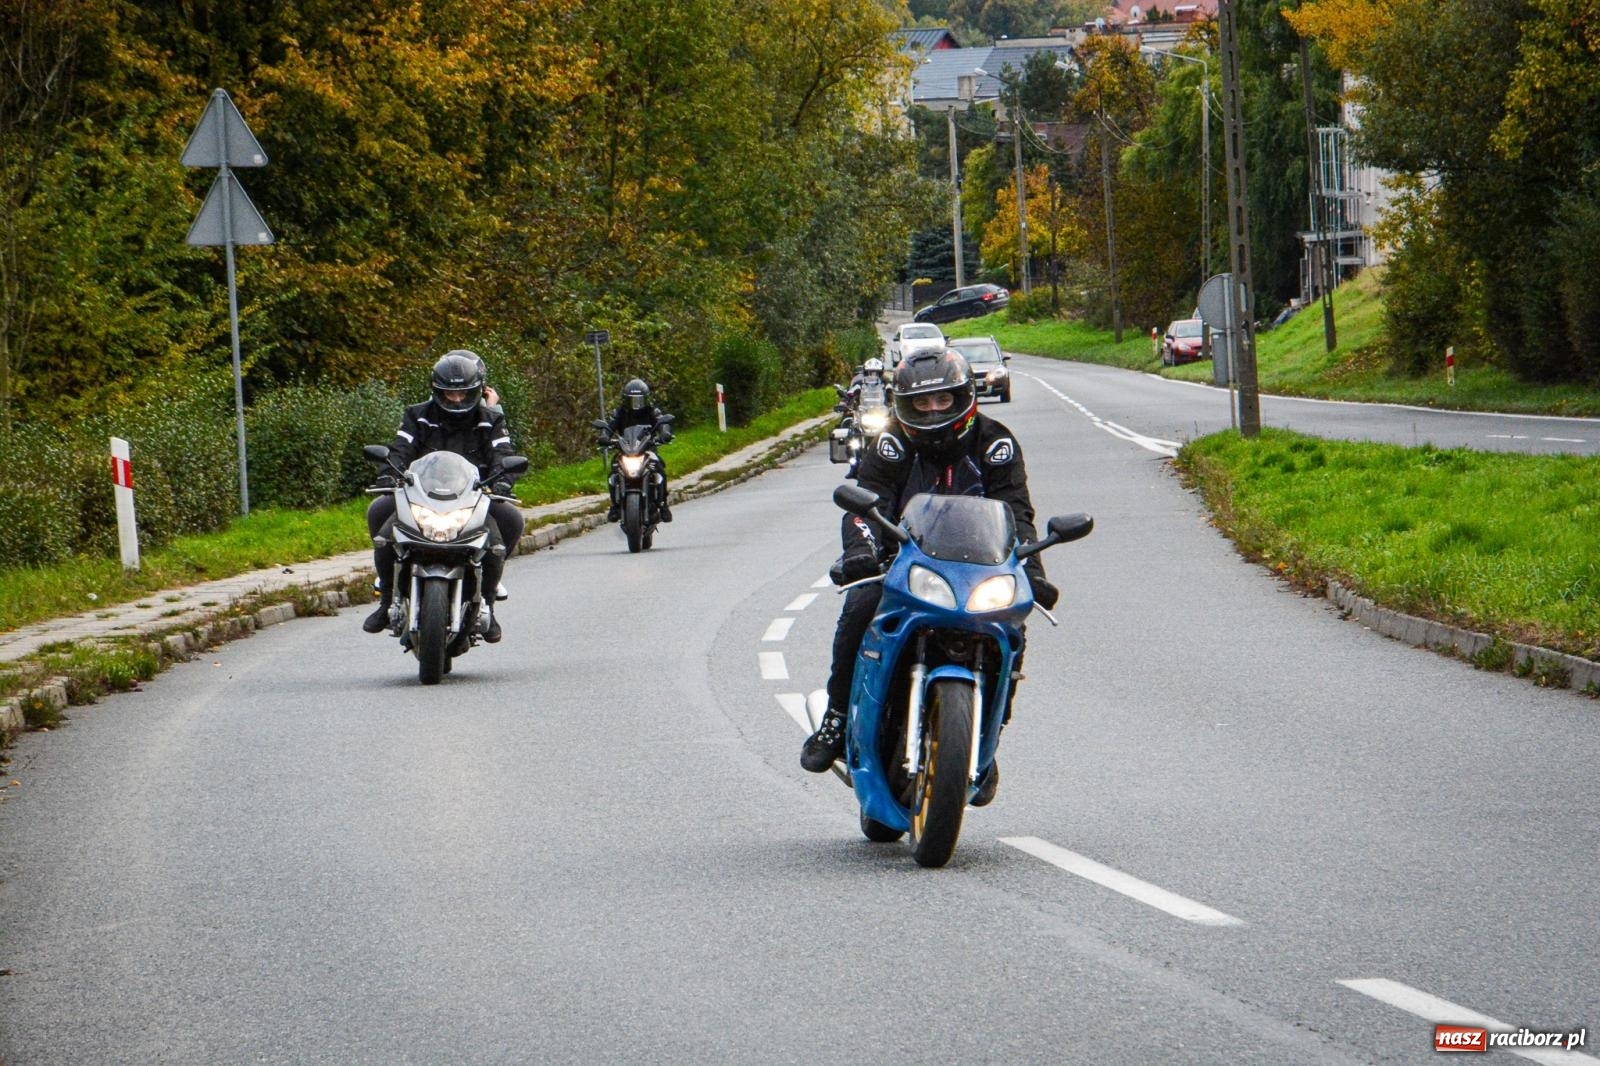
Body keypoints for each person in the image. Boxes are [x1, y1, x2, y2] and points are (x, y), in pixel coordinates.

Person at [798, 348, 1059, 806]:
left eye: (943, 400)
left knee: (1011, 627)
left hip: (978, 569)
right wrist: (861, 550)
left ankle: (986, 739)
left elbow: (1017, 512)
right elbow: (867, 503)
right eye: (921, 403)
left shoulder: (996, 442)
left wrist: (1032, 572)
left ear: (964, 397)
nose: (933, 410)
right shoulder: (891, 444)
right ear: (905, 405)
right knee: (860, 603)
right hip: (902, 563)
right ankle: (837, 717)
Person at [362, 350, 524, 642]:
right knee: (379, 512)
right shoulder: (417, 415)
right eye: (449, 393)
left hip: (474, 497)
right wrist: (389, 474)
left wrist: (502, 482)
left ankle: (486, 599)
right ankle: (386, 600)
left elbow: (503, 453)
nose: (457, 399)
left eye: (463, 393)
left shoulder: (490, 420)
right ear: (437, 391)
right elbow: (401, 448)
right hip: (421, 496)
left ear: (476, 391)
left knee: (510, 519)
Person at [603, 377, 674, 523]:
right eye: (632, 401)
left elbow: (662, 423)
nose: (636, 405)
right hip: (626, 449)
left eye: (639, 401)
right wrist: (604, 436)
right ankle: (615, 507)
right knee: (614, 470)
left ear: (646, 399)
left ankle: (663, 505)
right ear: (626, 400)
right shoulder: (620, 412)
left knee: (659, 467)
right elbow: (610, 426)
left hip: (647, 449)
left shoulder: (652, 411)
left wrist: (665, 433)